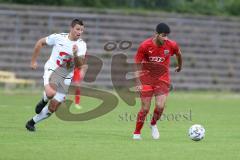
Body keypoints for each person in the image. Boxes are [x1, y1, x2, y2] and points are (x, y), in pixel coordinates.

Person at [25, 18, 87, 131]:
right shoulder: (58, 37)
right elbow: (40, 42)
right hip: (52, 69)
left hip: (66, 77)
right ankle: (44, 99)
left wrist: (75, 54)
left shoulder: (82, 45)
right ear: (71, 28)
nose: (79, 32)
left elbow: (79, 65)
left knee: (53, 108)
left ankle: (31, 123)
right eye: (77, 29)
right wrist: (33, 61)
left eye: (82, 30)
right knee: (50, 92)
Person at [133, 23, 182, 140]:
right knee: (145, 108)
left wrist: (180, 66)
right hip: (146, 79)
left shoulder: (171, 45)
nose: (166, 38)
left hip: (162, 80)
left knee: (160, 106)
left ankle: (153, 124)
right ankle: (137, 132)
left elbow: (179, 54)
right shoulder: (145, 46)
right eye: (163, 36)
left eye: (167, 36)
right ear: (156, 34)